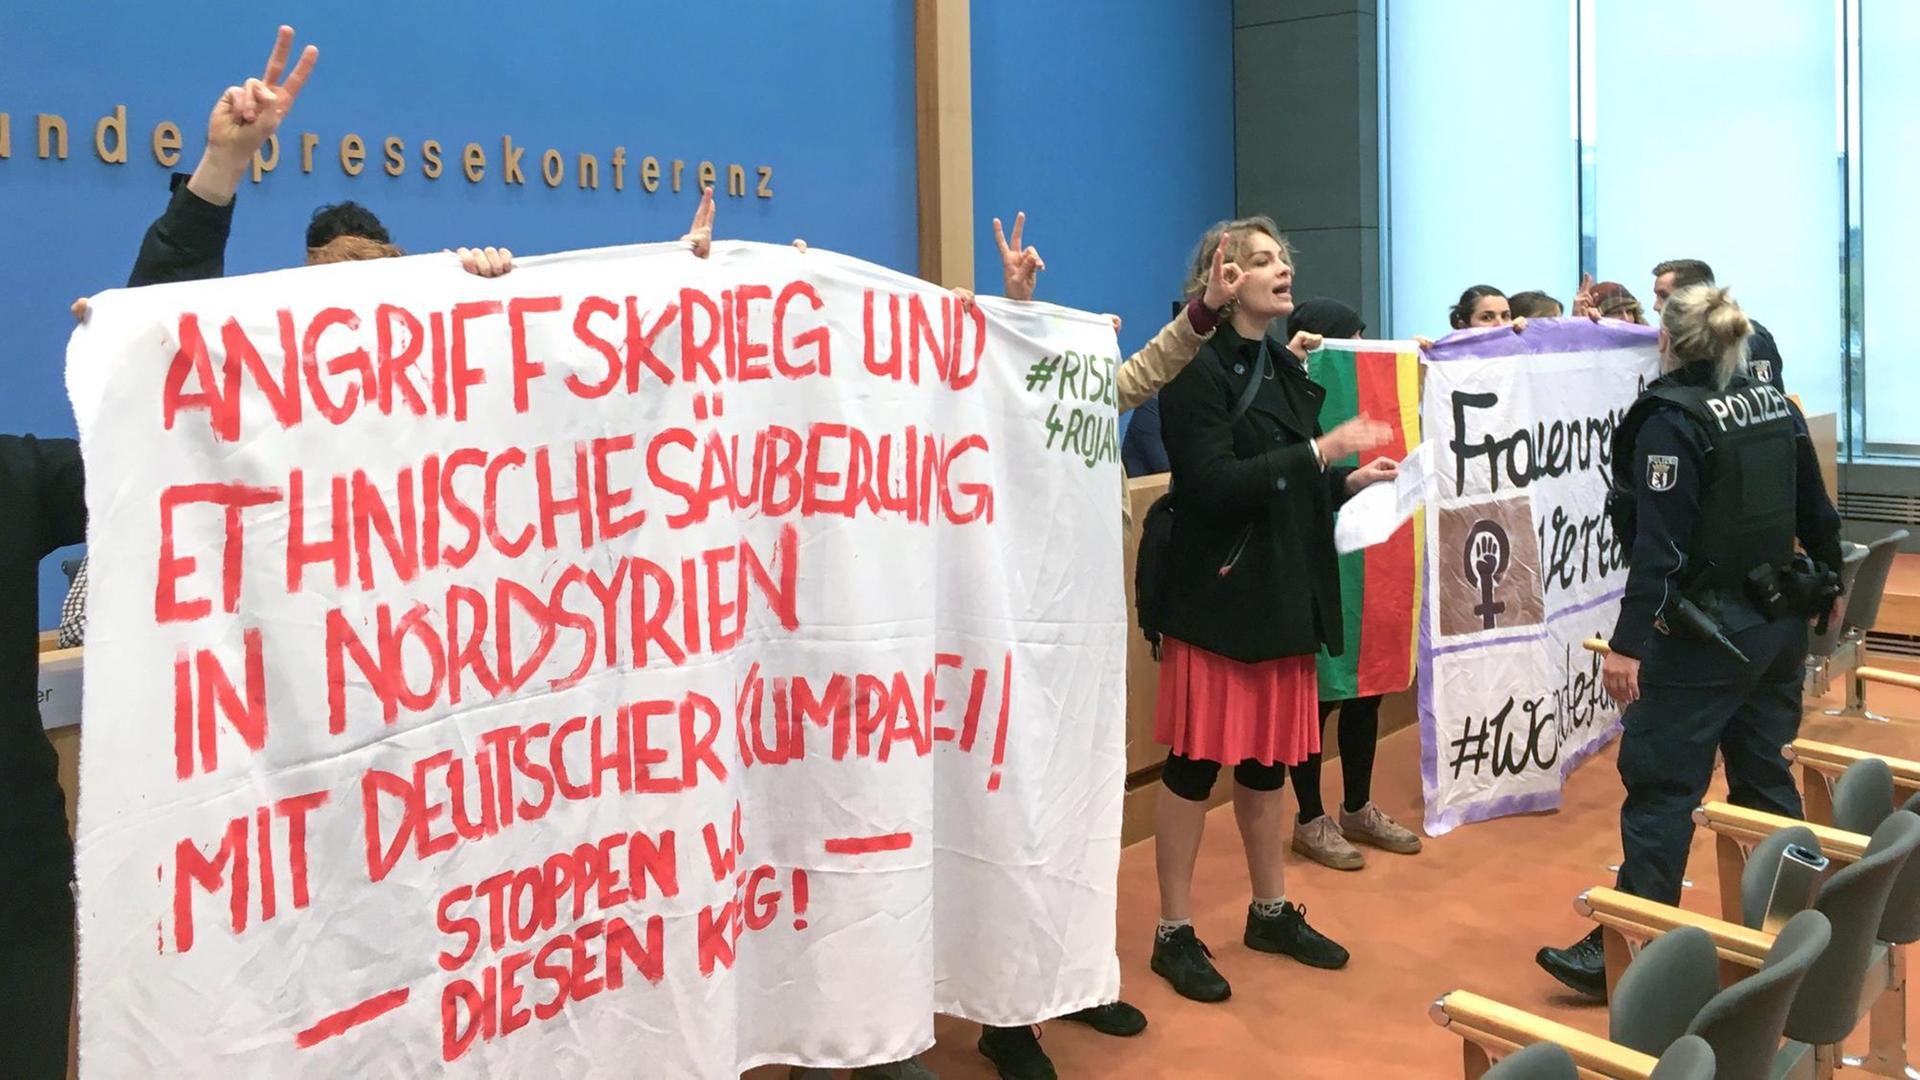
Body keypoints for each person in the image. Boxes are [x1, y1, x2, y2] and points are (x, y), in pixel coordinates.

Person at [963, 213, 1234, 1080]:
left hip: (1083, 633)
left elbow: (1145, 372)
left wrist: (1201, 311)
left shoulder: (1086, 393)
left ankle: (1076, 974)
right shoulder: (974, 412)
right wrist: (1014, 306)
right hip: (1003, 636)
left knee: (1086, 813)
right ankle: (1010, 1018)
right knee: (1017, 819)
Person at [1534, 284, 1842, 999]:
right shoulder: (1772, 402)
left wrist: (1628, 646)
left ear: (1666, 341)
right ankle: (1794, 934)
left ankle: (1632, 954)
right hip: (1776, 625)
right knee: (1766, 781)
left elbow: (1659, 549)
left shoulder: (1673, 420)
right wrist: (1828, 582)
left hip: (1703, 641)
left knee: (1663, 790)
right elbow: (1816, 507)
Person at [1146, 217, 1396, 1004]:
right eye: (1262, 260)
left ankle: (1270, 909)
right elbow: (1214, 485)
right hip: (1219, 597)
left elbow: (1288, 479)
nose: (1283, 268)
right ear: (1222, 279)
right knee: (1194, 767)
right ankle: (1174, 932)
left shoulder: (1281, 369)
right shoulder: (1197, 368)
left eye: (1282, 256)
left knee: (1265, 764)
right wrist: (1319, 456)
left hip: (1282, 590)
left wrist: (1345, 481)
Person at [1277, 298, 1423, 871]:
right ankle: (1310, 818)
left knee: (1368, 690)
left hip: (1374, 552)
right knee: (1321, 699)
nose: (1365, 345)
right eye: (1354, 339)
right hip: (1320, 555)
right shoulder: (1291, 391)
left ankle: (1358, 807)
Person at [1648, 259, 1786, 391]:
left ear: (1693, 295)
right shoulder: (1673, 339)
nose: (1656, 306)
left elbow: (1769, 402)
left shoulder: (1745, 335)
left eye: (1664, 296)